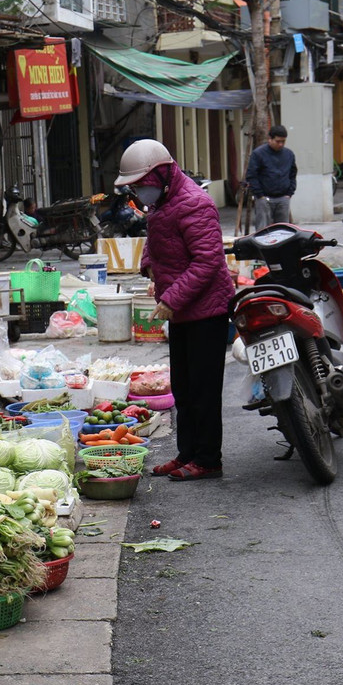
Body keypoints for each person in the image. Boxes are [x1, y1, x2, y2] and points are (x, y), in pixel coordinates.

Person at [116, 139, 234, 481]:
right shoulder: (161, 204)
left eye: (142, 184)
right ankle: (188, 453)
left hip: (207, 311)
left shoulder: (195, 204)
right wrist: (149, 265)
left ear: (162, 175)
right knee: (183, 388)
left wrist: (171, 298)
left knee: (204, 389)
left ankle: (209, 459)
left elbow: (208, 261)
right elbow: (153, 244)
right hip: (181, 310)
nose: (139, 192)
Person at [245, 125, 297, 228]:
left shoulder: (289, 154)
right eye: (278, 141)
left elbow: (293, 174)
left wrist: (289, 193)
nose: (281, 144)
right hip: (264, 198)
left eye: (283, 141)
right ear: (270, 139)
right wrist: (260, 195)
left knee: (283, 230)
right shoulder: (258, 154)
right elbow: (251, 175)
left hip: (283, 198)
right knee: (263, 230)